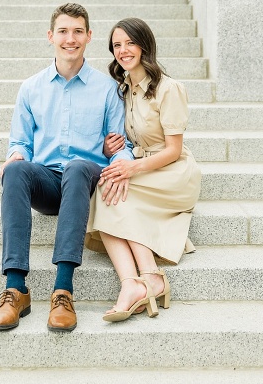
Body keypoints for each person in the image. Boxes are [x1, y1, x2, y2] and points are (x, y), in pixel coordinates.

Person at [0, 3, 133, 333]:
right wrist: (15, 155)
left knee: (80, 166)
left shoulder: (107, 88)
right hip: (48, 181)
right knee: (15, 170)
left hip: (85, 181)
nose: (71, 39)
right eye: (64, 31)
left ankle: (63, 290)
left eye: (78, 31)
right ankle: (15, 289)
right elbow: (20, 143)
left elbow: (120, 144)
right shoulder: (31, 88)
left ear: (89, 36)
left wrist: (123, 165)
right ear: (51, 36)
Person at [84, 17, 202, 322]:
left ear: (144, 45)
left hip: (173, 171)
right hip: (140, 164)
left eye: (130, 43)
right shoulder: (121, 89)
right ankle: (142, 281)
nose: (123, 50)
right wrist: (112, 149)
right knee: (108, 188)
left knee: (117, 190)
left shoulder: (169, 88)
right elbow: (122, 138)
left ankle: (143, 280)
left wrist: (132, 168)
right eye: (117, 45)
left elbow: (173, 150)